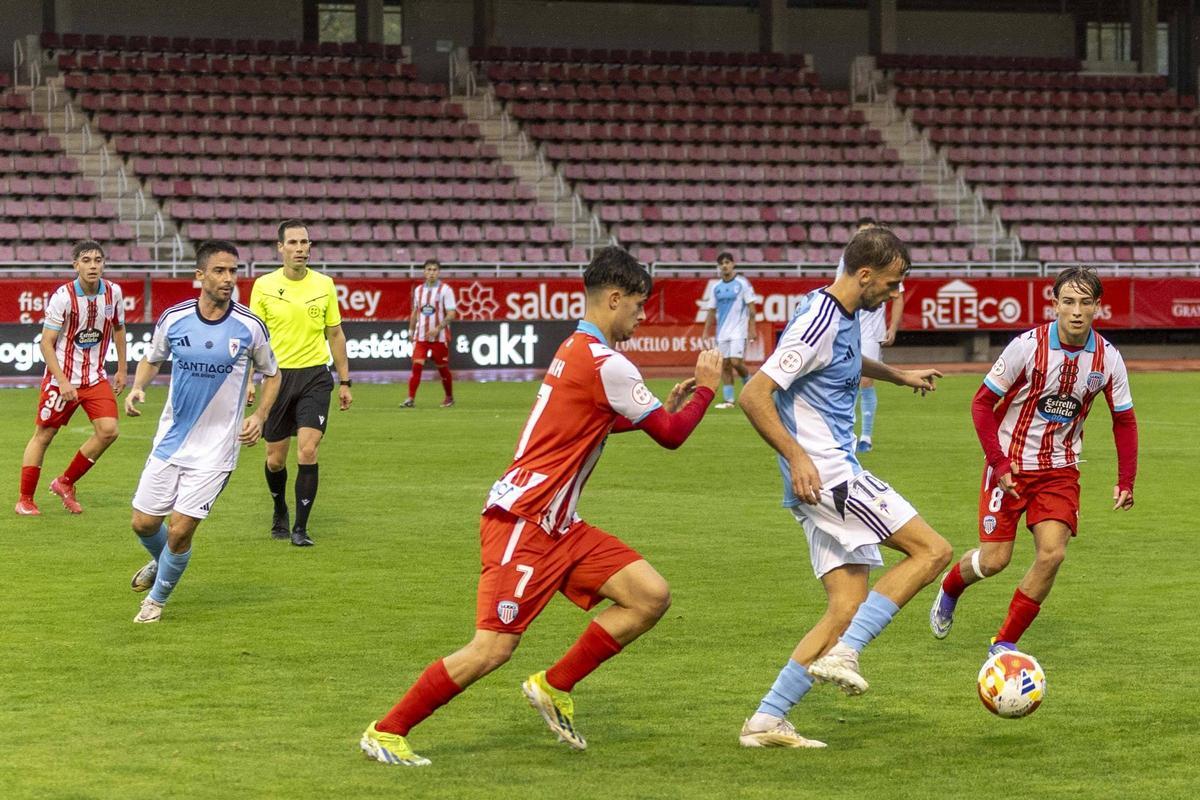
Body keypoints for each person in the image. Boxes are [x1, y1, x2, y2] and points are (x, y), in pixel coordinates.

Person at [359, 246, 722, 766]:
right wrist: (706, 392)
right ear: (614, 299)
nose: (642, 317)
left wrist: (660, 407)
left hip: (558, 523)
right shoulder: (607, 361)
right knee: (491, 648)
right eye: (639, 306)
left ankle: (553, 685)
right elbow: (670, 437)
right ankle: (387, 730)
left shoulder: (576, 347)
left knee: (648, 595)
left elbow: (588, 419)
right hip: (525, 521)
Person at [736, 227, 950, 749]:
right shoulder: (816, 322)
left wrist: (899, 376)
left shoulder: (843, 311)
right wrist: (797, 456)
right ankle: (847, 652)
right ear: (864, 275)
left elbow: (846, 361)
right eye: (893, 284)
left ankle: (766, 721)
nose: (896, 295)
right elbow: (753, 394)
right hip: (830, 475)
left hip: (820, 480)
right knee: (933, 551)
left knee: (846, 606)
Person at [929, 266, 1137, 656]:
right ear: (1054, 303)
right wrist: (1000, 463)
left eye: (1085, 303)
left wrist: (1127, 479)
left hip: (1060, 469)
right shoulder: (1026, 347)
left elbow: (1123, 419)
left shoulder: (1108, 358)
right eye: (1069, 302)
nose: (1076, 311)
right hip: (1010, 466)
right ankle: (951, 586)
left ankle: (1004, 642)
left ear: (1097, 307)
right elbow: (981, 404)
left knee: (1053, 554)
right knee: (994, 561)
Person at [124, 240, 280, 624]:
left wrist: (260, 415)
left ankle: (156, 601)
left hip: (216, 451)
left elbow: (272, 374)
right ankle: (163, 564)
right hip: (170, 441)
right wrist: (138, 386)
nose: (228, 279)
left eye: (233, 271)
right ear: (200, 275)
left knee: (179, 531)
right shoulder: (174, 318)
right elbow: (152, 358)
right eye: (220, 271)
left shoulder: (249, 326)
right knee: (143, 523)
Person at [248, 220, 353, 547]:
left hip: (315, 377)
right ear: (280, 248)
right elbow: (253, 338)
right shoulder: (263, 286)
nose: (300, 249)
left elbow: (334, 333)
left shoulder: (324, 284)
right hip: (276, 378)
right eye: (292, 243)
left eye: (304, 242)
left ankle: (300, 528)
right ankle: (280, 508)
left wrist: (345, 380)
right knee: (275, 459)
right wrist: (249, 380)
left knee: (308, 450)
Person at [16, 241, 127, 515]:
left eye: (98, 260)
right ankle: (25, 499)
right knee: (44, 434)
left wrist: (123, 369)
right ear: (75, 264)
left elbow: (119, 329)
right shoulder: (63, 297)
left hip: (94, 378)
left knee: (109, 431)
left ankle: (65, 482)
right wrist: (63, 381)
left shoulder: (114, 293)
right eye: (86, 260)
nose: (93, 266)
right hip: (61, 380)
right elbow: (46, 343)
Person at [833, 218, 905, 453]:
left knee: (865, 379)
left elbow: (898, 296)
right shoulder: (846, 262)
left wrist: (892, 327)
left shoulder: (886, 263)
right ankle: (847, 433)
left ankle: (866, 435)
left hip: (872, 330)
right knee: (847, 379)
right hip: (849, 327)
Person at [701, 251, 757, 409]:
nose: (724, 266)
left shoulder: (742, 283)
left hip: (739, 330)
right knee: (725, 365)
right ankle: (729, 400)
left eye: (727, 262)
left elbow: (751, 308)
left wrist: (752, 328)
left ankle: (750, 385)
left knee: (736, 362)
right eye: (721, 263)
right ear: (719, 267)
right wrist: (706, 332)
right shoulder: (716, 287)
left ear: (733, 264)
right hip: (722, 332)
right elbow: (711, 310)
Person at [402, 258, 457, 408]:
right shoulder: (419, 290)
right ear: (424, 272)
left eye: (434, 270)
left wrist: (438, 329)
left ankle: (449, 397)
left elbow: (451, 313)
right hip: (421, 336)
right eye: (429, 270)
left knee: (443, 369)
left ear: (438, 272)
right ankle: (410, 399)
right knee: (417, 365)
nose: (431, 273)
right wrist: (411, 331)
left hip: (439, 338)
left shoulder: (446, 290)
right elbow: (415, 312)